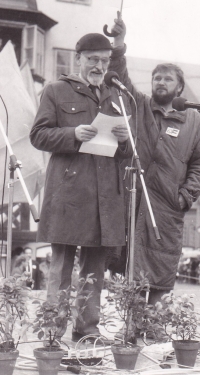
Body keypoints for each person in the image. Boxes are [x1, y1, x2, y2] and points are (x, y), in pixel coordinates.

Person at [30, 32, 133, 341]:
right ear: (78, 59)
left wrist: (126, 141)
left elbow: (125, 153)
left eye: (104, 61)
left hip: (104, 199)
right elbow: (39, 136)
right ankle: (52, 333)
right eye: (92, 60)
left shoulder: (116, 96)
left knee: (94, 272)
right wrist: (73, 133)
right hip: (70, 194)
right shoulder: (56, 91)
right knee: (60, 269)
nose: (99, 66)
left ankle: (86, 331)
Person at [108, 18, 200, 304]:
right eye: (157, 78)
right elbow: (119, 78)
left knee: (160, 273)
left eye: (167, 79)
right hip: (134, 202)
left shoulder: (194, 120)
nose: (161, 83)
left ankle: (153, 330)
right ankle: (131, 334)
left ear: (180, 87)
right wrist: (119, 45)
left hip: (168, 207)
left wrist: (185, 196)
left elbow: (199, 164)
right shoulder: (140, 106)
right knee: (130, 268)